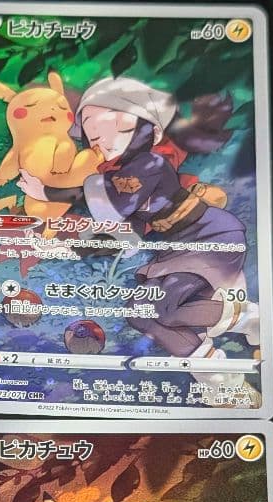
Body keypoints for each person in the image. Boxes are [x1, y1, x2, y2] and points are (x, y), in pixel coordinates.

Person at [17, 76, 259, 369]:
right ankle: (213, 370)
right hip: (179, 247)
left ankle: (249, 318)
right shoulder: (119, 181)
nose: (103, 140)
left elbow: (107, 199)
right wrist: (65, 248)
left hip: (210, 236)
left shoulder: (149, 165)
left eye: (119, 129)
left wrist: (46, 192)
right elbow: (123, 234)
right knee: (139, 312)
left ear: (153, 133)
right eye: (94, 135)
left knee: (161, 308)